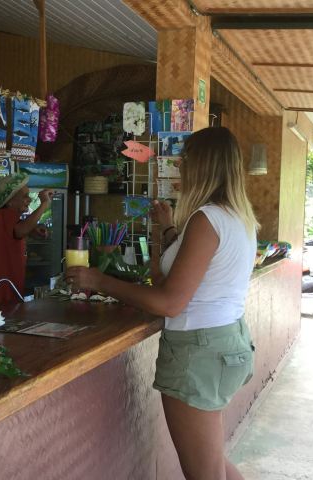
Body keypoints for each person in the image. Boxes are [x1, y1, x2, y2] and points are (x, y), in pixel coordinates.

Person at [66, 127, 257, 480]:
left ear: (202, 165)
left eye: (186, 160)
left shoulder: (206, 219)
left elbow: (169, 302)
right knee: (214, 465)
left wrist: (99, 280)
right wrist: (166, 230)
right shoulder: (237, 218)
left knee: (205, 473)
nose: (180, 167)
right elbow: (172, 279)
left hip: (197, 354)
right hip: (225, 345)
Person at [0, 173, 51, 310]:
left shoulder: (6, 217)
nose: (29, 200)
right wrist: (44, 204)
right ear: (10, 201)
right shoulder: (6, 214)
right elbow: (20, 230)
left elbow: (19, 230)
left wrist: (33, 229)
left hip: (4, 287)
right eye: (24, 196)